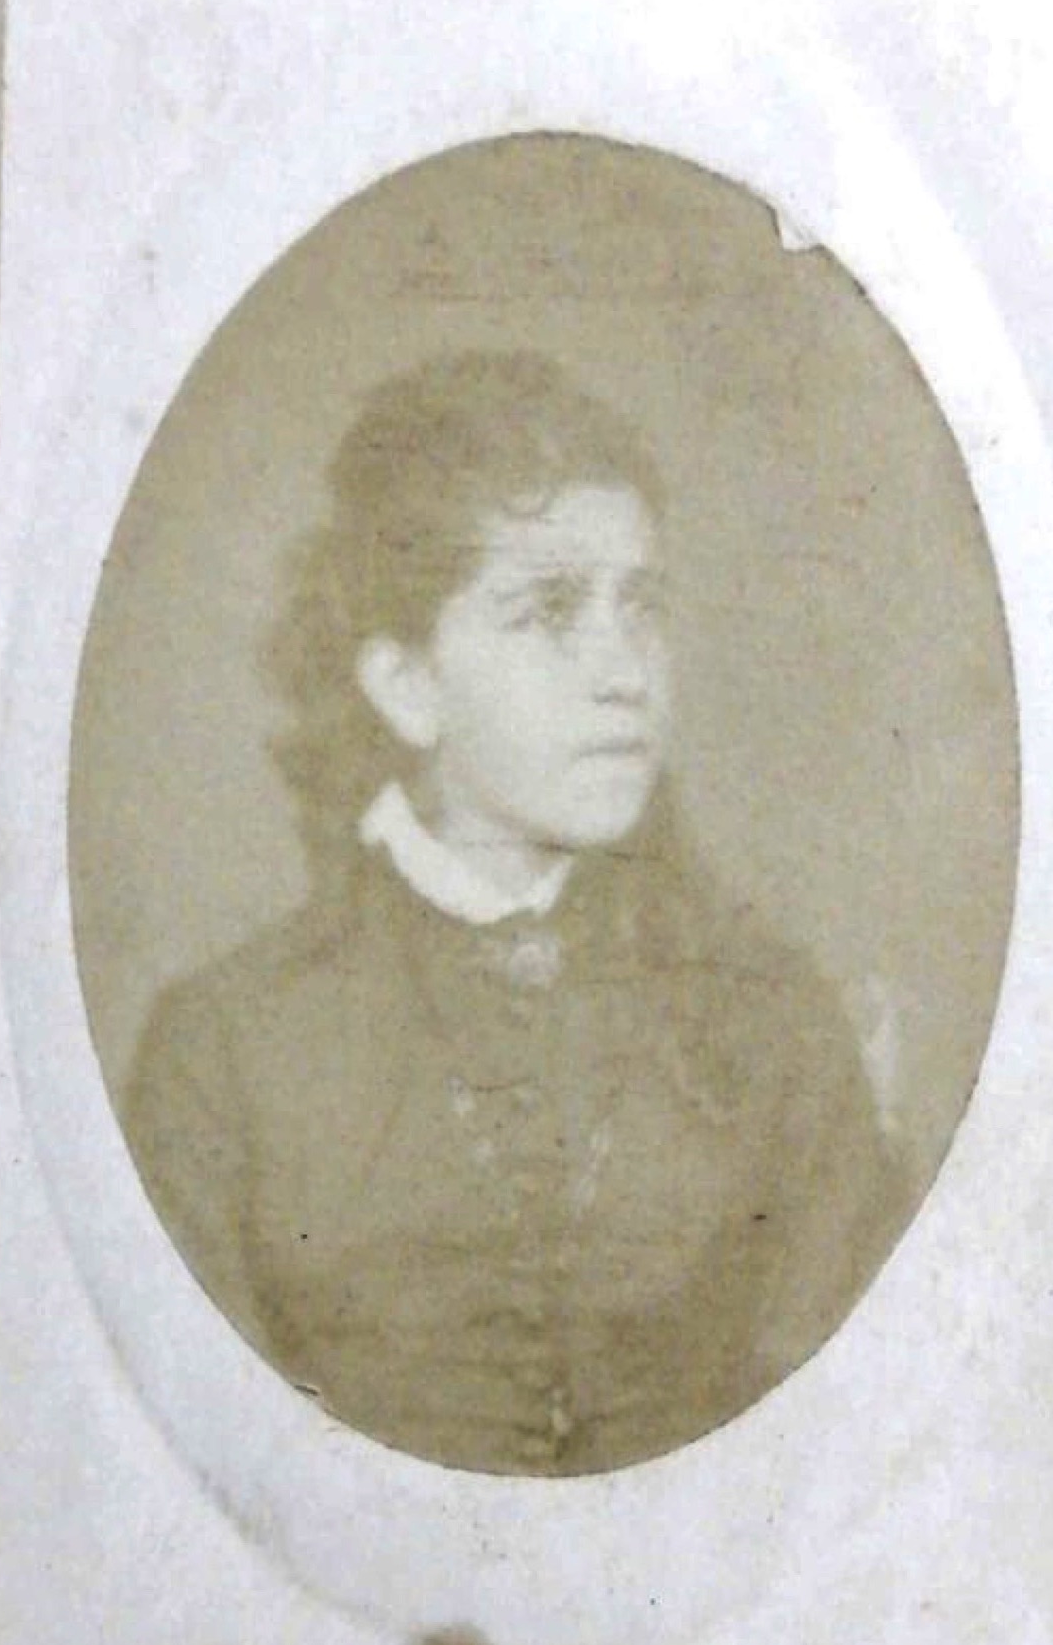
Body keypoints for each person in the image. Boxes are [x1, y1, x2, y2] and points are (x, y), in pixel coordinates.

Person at [123, 349, 906, 1476]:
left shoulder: (775, 1019)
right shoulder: (224, 1053)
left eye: (641, 606)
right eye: (548, 610)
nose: (624, 672)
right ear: (407, 686)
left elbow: (841, 1451)